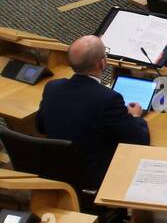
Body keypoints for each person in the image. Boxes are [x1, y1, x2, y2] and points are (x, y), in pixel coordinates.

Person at [35, 35, 149, 190]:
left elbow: (40, 127)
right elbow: (139, 140)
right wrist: (135, 116)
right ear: (102, 63)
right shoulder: (109, 99)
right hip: (93, 177)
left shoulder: (53, 87)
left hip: (56, 170)